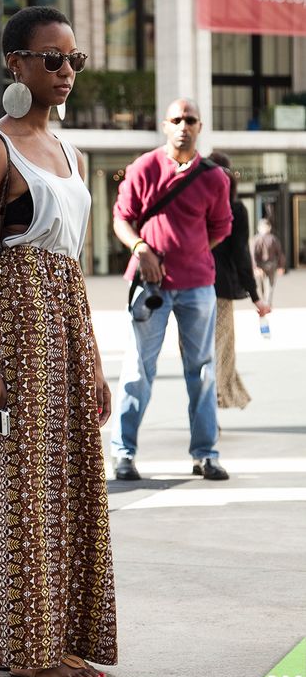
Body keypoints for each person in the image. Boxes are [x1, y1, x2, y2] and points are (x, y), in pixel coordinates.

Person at [0, 6, 117, 677]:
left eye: (73, 60)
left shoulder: (74, 153)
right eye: (51, 58)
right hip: (17, 326)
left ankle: (58, 635)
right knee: (26, 489)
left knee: (74, 487)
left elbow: (74, 264)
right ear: (14, 63)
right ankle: (29, 648)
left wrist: (95, 361)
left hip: (66, 320)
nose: (65, 72)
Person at [111, 98, 233, 482]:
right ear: (165, 125)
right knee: (137, 369)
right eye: (177, 119)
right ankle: (123, 454)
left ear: (200, 127)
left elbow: (221, 228)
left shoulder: (214, 177)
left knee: (202, 372)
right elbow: (121, 219)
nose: (184, 125)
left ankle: (205, 455)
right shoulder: (144, 167)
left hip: (198, 286)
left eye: (191, 119)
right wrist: (141, 248)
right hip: (149, 287)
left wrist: (192, 252)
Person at [210, 152, 271, 409]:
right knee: (220, 350)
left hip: (189, 286)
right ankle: (214, 403)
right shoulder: (234, 208)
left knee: (196, 353)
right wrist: (256, 296)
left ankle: (208, 406)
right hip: (220, 289)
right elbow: (241, 254)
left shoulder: (196, 201)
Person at [251, 218, 285, 307]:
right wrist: (281, 266)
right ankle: (267, 302)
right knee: (268, 285)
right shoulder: (272, 239)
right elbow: (280, 253)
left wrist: (255, 267)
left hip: (266, 266)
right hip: (268, 266)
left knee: (264, 284)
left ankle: (265, 301)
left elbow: (252, 255)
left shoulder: (258, 239)